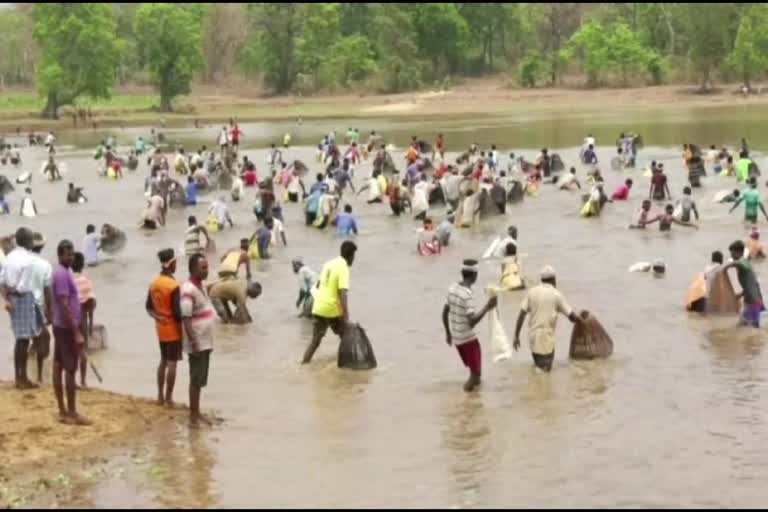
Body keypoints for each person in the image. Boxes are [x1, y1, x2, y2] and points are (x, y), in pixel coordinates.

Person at [513, 266, 583, 372]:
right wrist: (582, 319)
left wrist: (516, 336)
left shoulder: (532, 292)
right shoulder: (556, 295)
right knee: (545, 371)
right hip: (546, 338)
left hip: (532, 337)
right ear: (554, 280)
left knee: (539, 368)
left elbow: (521, 314)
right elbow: (572, 317)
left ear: (542, 279)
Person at [442, 259, 497, 391]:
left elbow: (444, 313)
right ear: (474, 275)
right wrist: (487, 307)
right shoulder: (467, 295)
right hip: (467, 339)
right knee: (474, 375)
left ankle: (474, 404)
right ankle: (465, 403)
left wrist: (448, 333)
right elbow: (471, 322)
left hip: (457, 337)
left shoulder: (452, 288)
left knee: (476, 374)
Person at [51, 240, 90, 425]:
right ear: (60, 255)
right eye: (68, 254)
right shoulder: (61, 274)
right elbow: (64, 303)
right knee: (69, 368)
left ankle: (63, 411)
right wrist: (76, 332)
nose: (71, 257)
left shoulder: (65, 272)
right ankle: (71, 412)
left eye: (73, 254)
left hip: (61, 325)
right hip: (66, 328)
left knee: (59, 365)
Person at [0, 228, 44, 389]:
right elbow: (26, 284)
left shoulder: (8, 257)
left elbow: (2, 281)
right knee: (24, 339)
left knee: (20, 338)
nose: (33, 242)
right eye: (31, 239)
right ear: (27, 241)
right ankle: (22, 378)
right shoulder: (28, 259)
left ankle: (18, 376)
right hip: (23, 297)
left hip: (12, 298)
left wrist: (7, 299)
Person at [302, 241, 357, 364]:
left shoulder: (328, 264)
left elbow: (318, 285)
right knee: (345, 335)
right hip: (332, 309)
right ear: (351, 255)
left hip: (318, 307)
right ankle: (347, 364)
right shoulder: (344, 268)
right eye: (354, 256)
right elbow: (343, 294)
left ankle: (303, 364)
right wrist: (346, 316)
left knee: (315, 342)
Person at [180, 254, 216, 428]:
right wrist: (193, 341)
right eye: (203, 268)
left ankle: (197, 412)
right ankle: (193, 417)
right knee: (195, 379)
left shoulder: (200, 285)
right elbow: (185, 317)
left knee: (200, 379)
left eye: (207, 267)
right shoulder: (187, 289)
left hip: (205, 339)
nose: (206, 270)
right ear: (193, 269)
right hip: (198, 341)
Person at [146, 249, 183, 407]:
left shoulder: (154, 283)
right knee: (172, 363)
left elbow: (148, 307)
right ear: (171, 263)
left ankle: (160, 396)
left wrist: (157, 317)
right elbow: (177, 313)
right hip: (172, 329)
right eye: (175, 262)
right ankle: (169, 398)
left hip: (160, 329)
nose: (176, 265)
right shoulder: (173, 285)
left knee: (163, 361)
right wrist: (182, 334)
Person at [29, 232, 53, 385]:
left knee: (32, 338)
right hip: (38, 306)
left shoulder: (24, 262)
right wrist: (50, 311)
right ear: (43, 246)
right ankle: (39, 374)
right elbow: (47, 290)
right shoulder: (45, 265)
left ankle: (27, 372)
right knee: (45, 338)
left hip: (24, 304)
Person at [723, 240, 764, 328]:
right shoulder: (743, 264)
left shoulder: (743, 261)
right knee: (742, 326)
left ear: (739, 252)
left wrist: (726, 267)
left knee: (754, 329)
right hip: (749, 300)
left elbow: (739, 263)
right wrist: (740, 295)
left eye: (732, 253)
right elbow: (749, 284)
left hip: (754, 301)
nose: (731, 255)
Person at [72, 252, 95, 388]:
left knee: (71, 350)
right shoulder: (86, 280)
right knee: (82, 350)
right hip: (81, 317)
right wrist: (90, 324)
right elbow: (91, 304)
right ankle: (83, 381)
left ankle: (72, 379)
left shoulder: (68, 279)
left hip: (69, 318)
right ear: (83, 264)